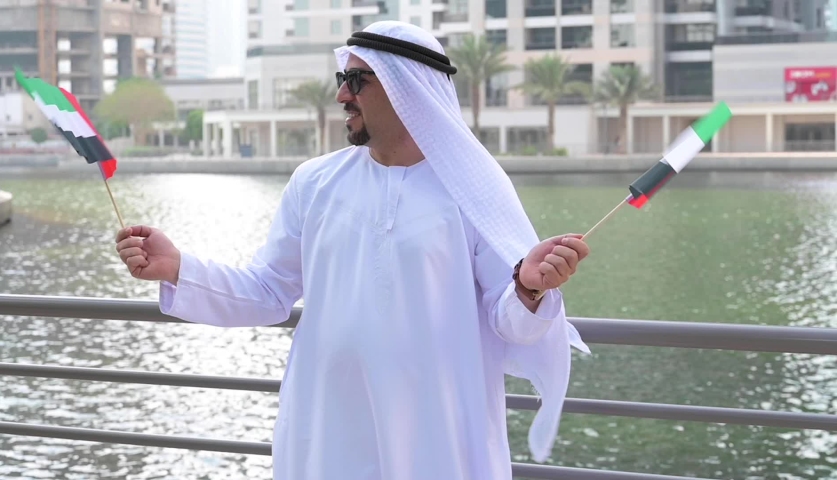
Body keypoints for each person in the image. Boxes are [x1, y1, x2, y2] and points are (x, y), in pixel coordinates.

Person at [115, 21, 591, 480]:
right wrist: (178, 268)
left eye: (357, 80)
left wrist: (529, 289)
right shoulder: (315, 182)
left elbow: (510, 322)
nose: (343, 95)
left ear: (408, 87)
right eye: (342, 79)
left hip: (435, 432)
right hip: (329, 426)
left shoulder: (474, 188)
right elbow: (267, 291)